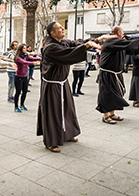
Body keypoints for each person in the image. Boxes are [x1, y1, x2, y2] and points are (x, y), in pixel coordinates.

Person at [37, 22, 100, 152]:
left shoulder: (63, 41)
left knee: (67, 109)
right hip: (52, 85)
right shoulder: (50, 48)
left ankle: (68, 134)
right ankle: (51, 141)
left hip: (63, 82)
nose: (62, 29)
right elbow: (68, 53)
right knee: (52, 113)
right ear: (52, 33)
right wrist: (85, 47)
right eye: (59, 28)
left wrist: (94, 41)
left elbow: (76, 44)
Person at [96, 26, 139, 124]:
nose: (123, 33)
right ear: (118, 32)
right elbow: (127, 44)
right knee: (106, 95)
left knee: (117, 94)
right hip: (108, 74)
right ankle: (105, 116)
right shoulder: (111, 42)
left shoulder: (118, 43)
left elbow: (130, 49)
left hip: (116, 74)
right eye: (122, 31)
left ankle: (112, 113)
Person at [14, 44, 41, 112]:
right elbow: (24, 62)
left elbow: (32, 58)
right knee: (18, 92)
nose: (26, 50)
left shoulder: (25, 56)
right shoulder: (18, 58)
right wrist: (34, 63)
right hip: (18, 77)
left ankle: (22, 105)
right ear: (21, 50)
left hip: (25, 77)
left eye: (26, 48)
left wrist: (41, 58)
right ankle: (16, 106)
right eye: (24, 48)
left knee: (25, 91)